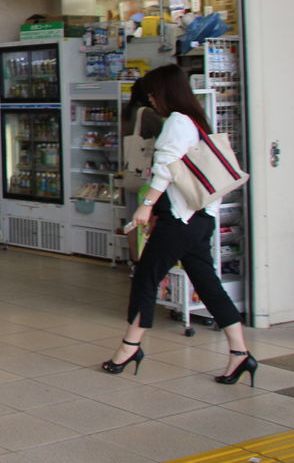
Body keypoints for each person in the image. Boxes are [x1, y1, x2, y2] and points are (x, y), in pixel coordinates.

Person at [101, 64, 255, 385]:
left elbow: (165, 168)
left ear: (165, 92)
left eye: (153, 93)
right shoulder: (197, 121)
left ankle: (130, 348)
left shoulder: (176, 121)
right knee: (208, 284)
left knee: (145, 278)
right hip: (201, 218)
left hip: (180, 220)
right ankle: (240, 353)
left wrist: (146, 206)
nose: (151, 99)